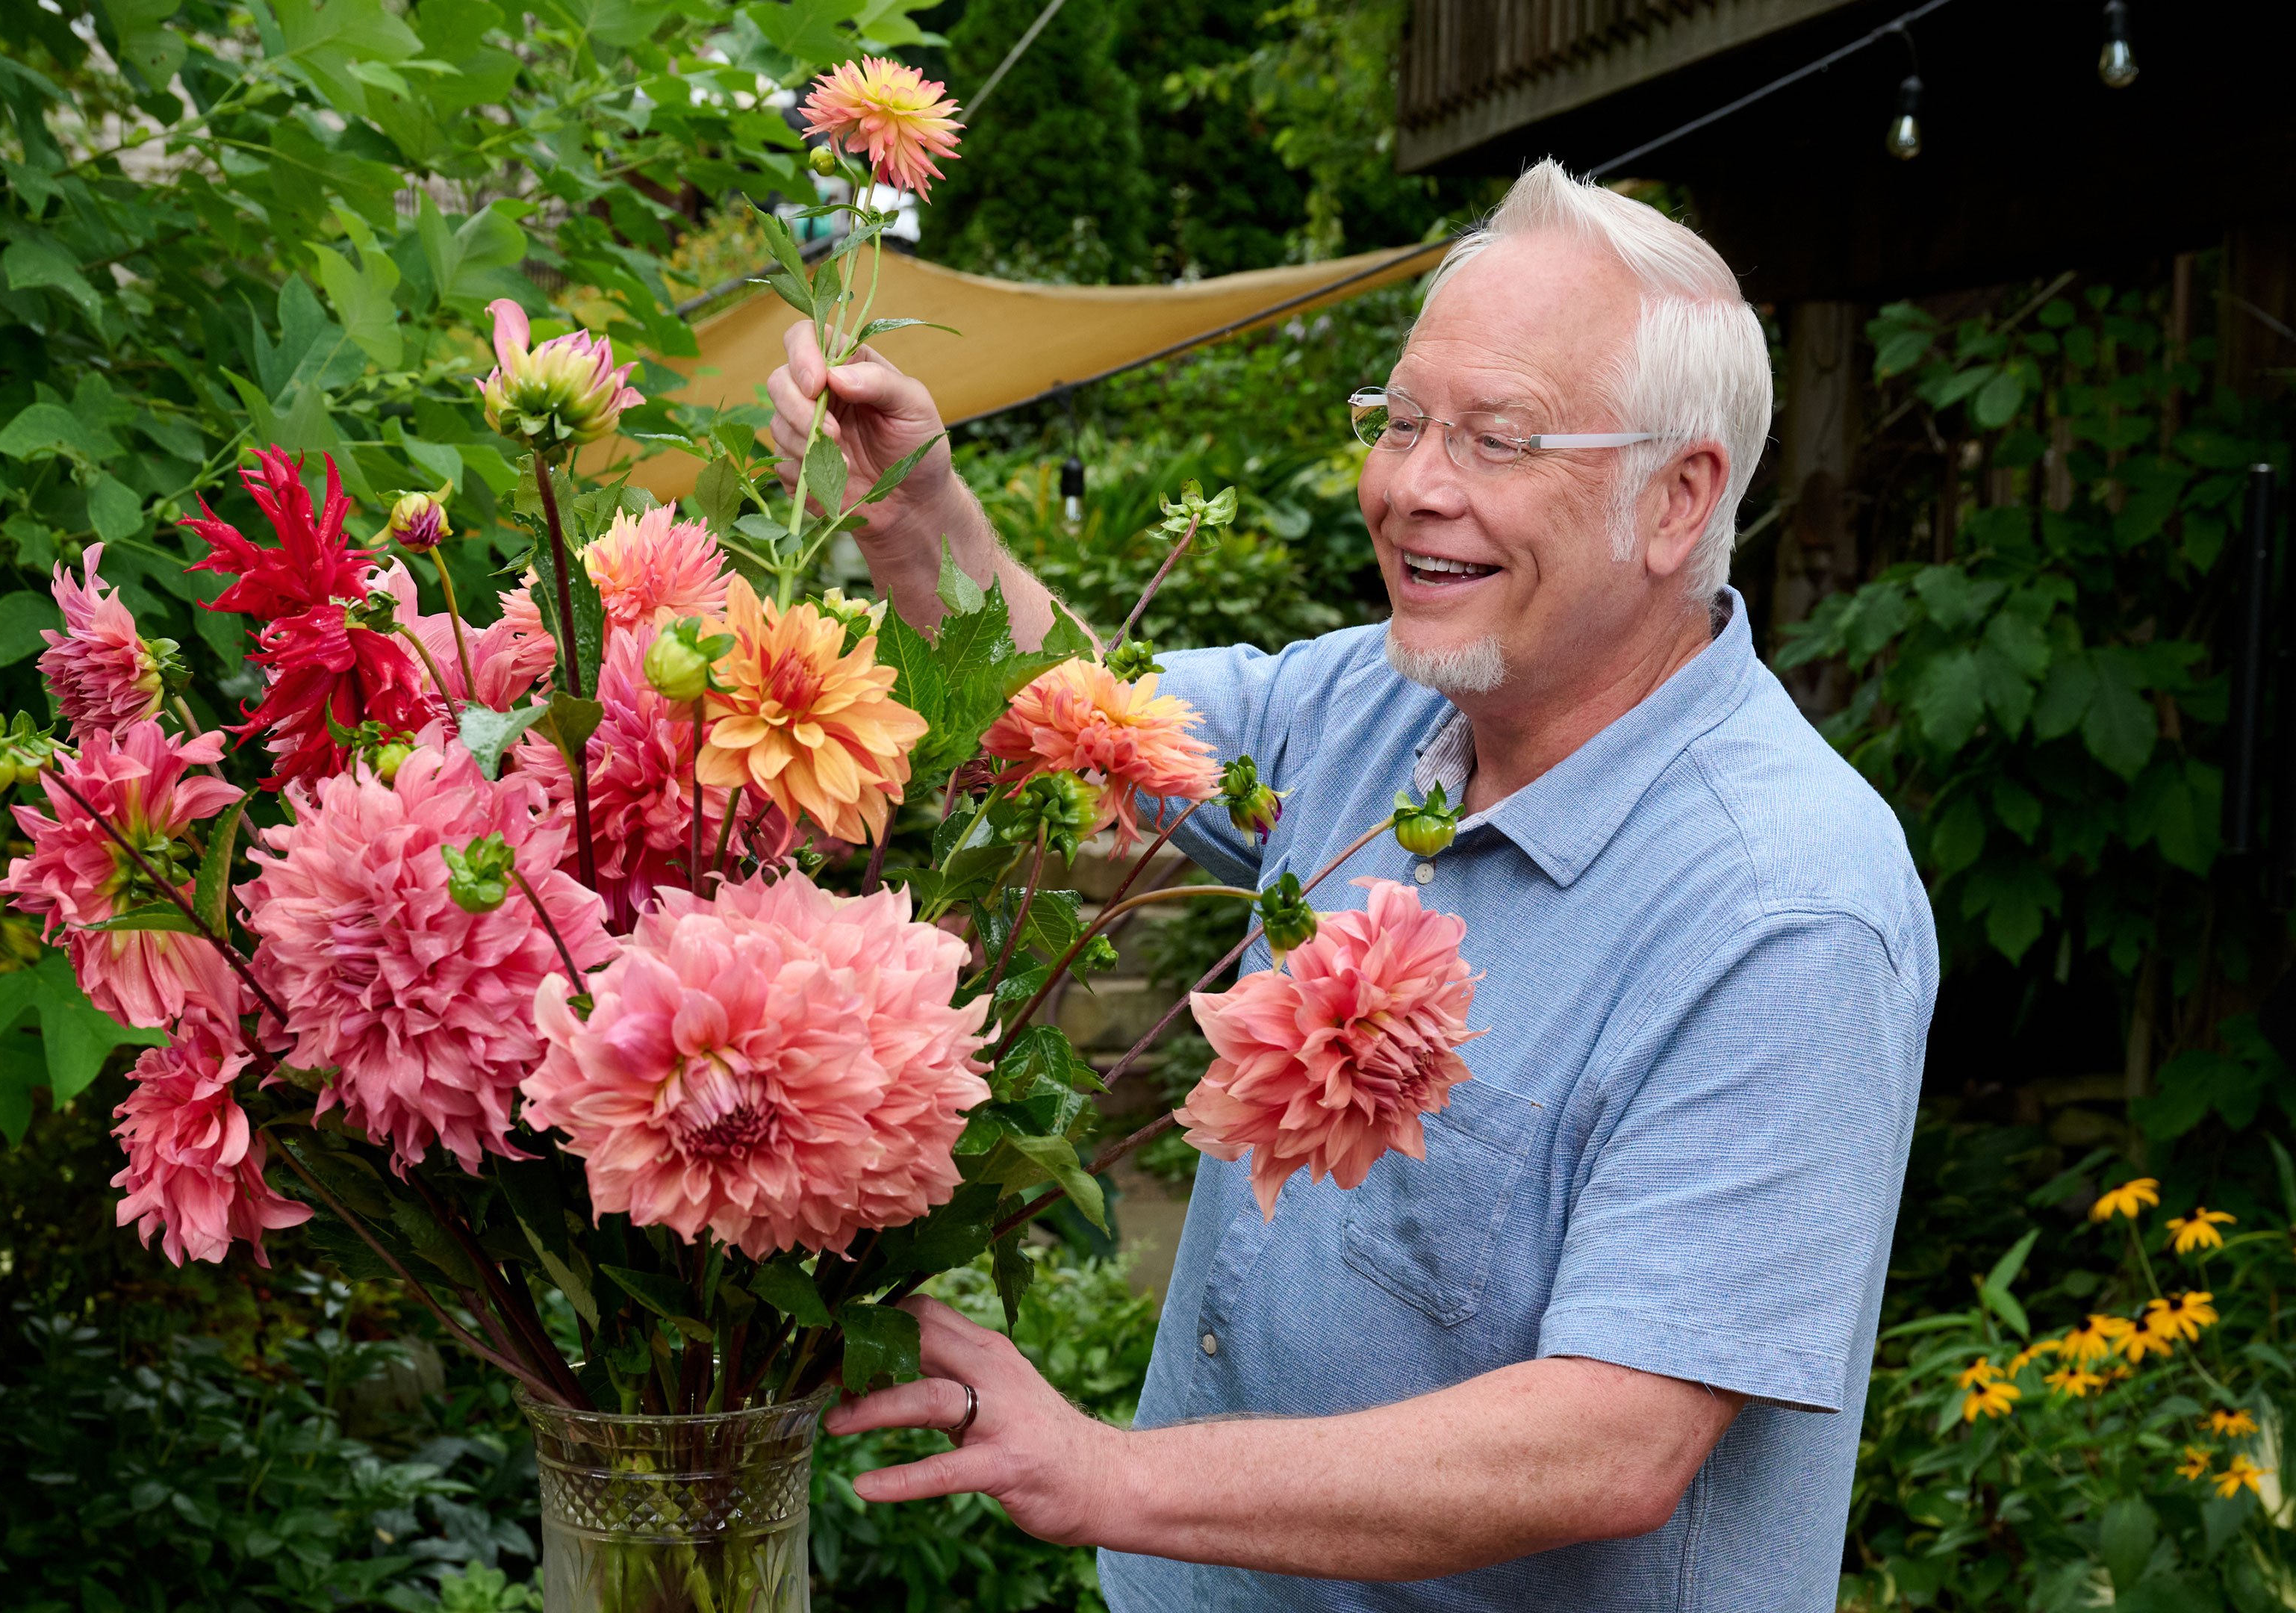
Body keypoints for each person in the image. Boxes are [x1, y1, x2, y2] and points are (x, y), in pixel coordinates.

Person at [783, 161, 1938, 1611]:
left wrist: (1108, 1476)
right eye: (1398, 422)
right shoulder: (1374, 703)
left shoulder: (1788, 910)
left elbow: (1612, 1440)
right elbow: (1085, 713)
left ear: (1677, 499)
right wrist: (920, 518)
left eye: (1497, 439)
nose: (1409, 487)